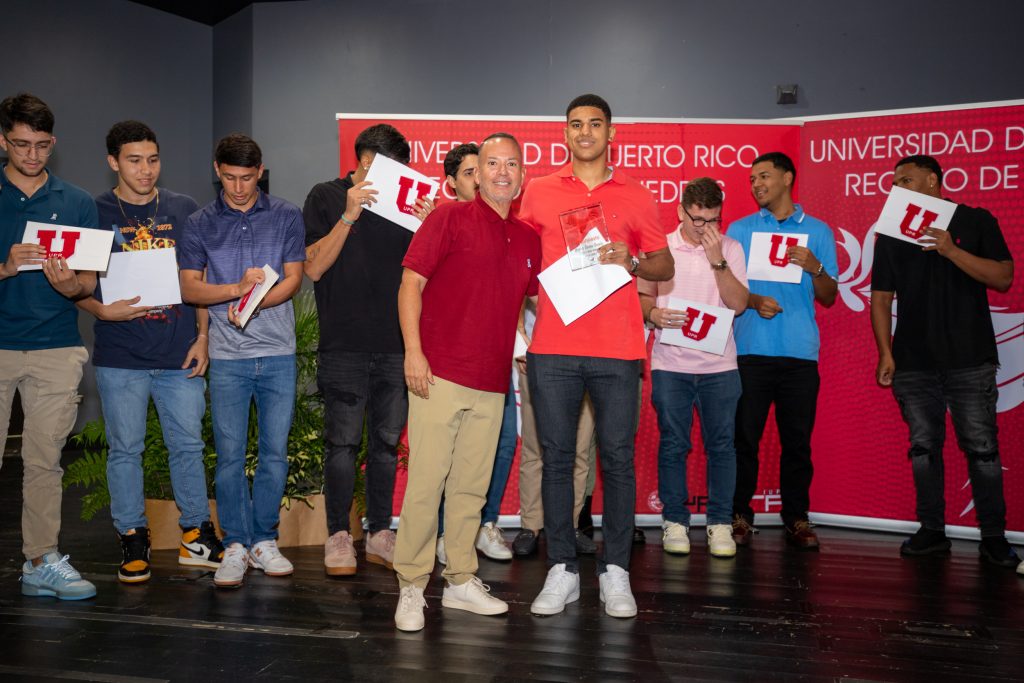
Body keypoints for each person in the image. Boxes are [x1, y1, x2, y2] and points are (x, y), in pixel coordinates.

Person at [520, 94, 673, 619]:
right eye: (575, 124)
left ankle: (617, 573)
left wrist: (630, 259)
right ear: (565, 133)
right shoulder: (537, 191)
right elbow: (513, 254)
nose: (584, 131)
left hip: (618, 349)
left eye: (594, 124)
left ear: (611, 134)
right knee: (557, 461)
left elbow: (662, 262)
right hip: (554, 348)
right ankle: (561, 568)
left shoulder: (637, 194)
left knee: (617, 461)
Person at [392, 133, 540, 631]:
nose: (501, 172)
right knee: (426, 485)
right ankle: (412, 586)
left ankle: (459, 581)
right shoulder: (446, 217)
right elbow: (410, 282)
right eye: (490, 164)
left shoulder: (528, 239)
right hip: (438, 374)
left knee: (471, 491)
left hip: (493, 382)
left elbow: (524, 300)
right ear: (475, 173)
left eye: (511, 164)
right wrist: (414, 353)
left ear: (523, 175)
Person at [77, 121, 223, 584]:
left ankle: (195, 533)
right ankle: (132, 537)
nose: (145, 169)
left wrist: (202, 338)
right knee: (125, 450)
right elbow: (76, 283)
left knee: (189, 446)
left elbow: (197, 281)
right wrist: (101, 309)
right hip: (121, 357)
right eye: (135, 160)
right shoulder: (95, 211)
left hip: (178, 353)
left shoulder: (183, 209)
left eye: (153, 159)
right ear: (113, 162)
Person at [871, 154, 1019, 568]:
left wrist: (951, 250)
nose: (897, 186)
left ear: (933, 180)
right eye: (895, 181)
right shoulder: (891, 236)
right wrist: (886, 351)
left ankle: (993, 537)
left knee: (983, 449)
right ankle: (932, 530)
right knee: (923, 448)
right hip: (913, 362)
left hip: (970, 359)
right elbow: (881, 298)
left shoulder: (976, 220)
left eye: (906, 179)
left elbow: (1003, 277)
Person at [178, 134, 305, 588]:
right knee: (229, 456)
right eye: (230, 177)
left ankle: (264, 540)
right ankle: (234, 543)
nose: (238, 187)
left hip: (277, 353)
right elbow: (190, 288)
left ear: (260, 172)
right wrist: (236, 292)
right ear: (217, 170)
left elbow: (294, 278)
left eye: (247, 178)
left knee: (274, 453)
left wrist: (256, 302)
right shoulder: (198, 224)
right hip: (228, 358)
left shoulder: (287, 214)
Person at [303, 124, 420, 576]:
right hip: (344, 346)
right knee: (343, 444)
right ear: (364, 163)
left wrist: (427, 226)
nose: (393, 179)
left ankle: (379, 532)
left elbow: (429, 276)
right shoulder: (326, 196)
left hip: (395, 345)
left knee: (387, 446)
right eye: (384, 170)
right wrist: (348, 216)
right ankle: (337, 535)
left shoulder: (407, 206)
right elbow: (313, 267)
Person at [0, 93, 99, 600]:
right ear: (3, 140)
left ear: (53, 143)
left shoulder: (78, 201)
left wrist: (71, 287)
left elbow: (86, 284)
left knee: (44, 461)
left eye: (41, 146)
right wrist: (5, 266)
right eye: (21, 145)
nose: (32, 155)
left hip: (57, 347)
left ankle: (40, 561)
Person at [727, 151, 838, 550]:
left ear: (788, 178)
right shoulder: (738, 230)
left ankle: (797, 517)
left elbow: (829, 296)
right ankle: (739, 515)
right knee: (744, 440)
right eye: (752, 179)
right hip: (750, 351)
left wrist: (816, 267)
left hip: (799, 355)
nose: (757, 184)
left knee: (797, 442)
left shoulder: (819, 232)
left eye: (764, 176)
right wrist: (755, 301)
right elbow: (728, 291)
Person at [639, 177, 749, 558]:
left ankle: (719, 523)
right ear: (680, 211)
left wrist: (716, 258)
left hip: (721, 367)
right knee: (674, 444)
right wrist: (654, 313)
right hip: (671, 364)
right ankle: (675, 521)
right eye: (697, 219)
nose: (705, 227)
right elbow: (640, 297)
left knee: (722, 446)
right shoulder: (661, 248)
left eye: (713, 219)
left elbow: (737, 305)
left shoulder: (730, 247)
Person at [431, 142, 515, 564]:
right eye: (470, 172)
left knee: (498, 446)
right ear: (458, 182)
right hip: (449, 364)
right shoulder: (441, 221)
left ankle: (483, 524)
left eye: (508, 166)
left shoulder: (515, 229)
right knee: (446, 459)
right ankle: (447, 534)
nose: (484, 177)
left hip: (497, 363)